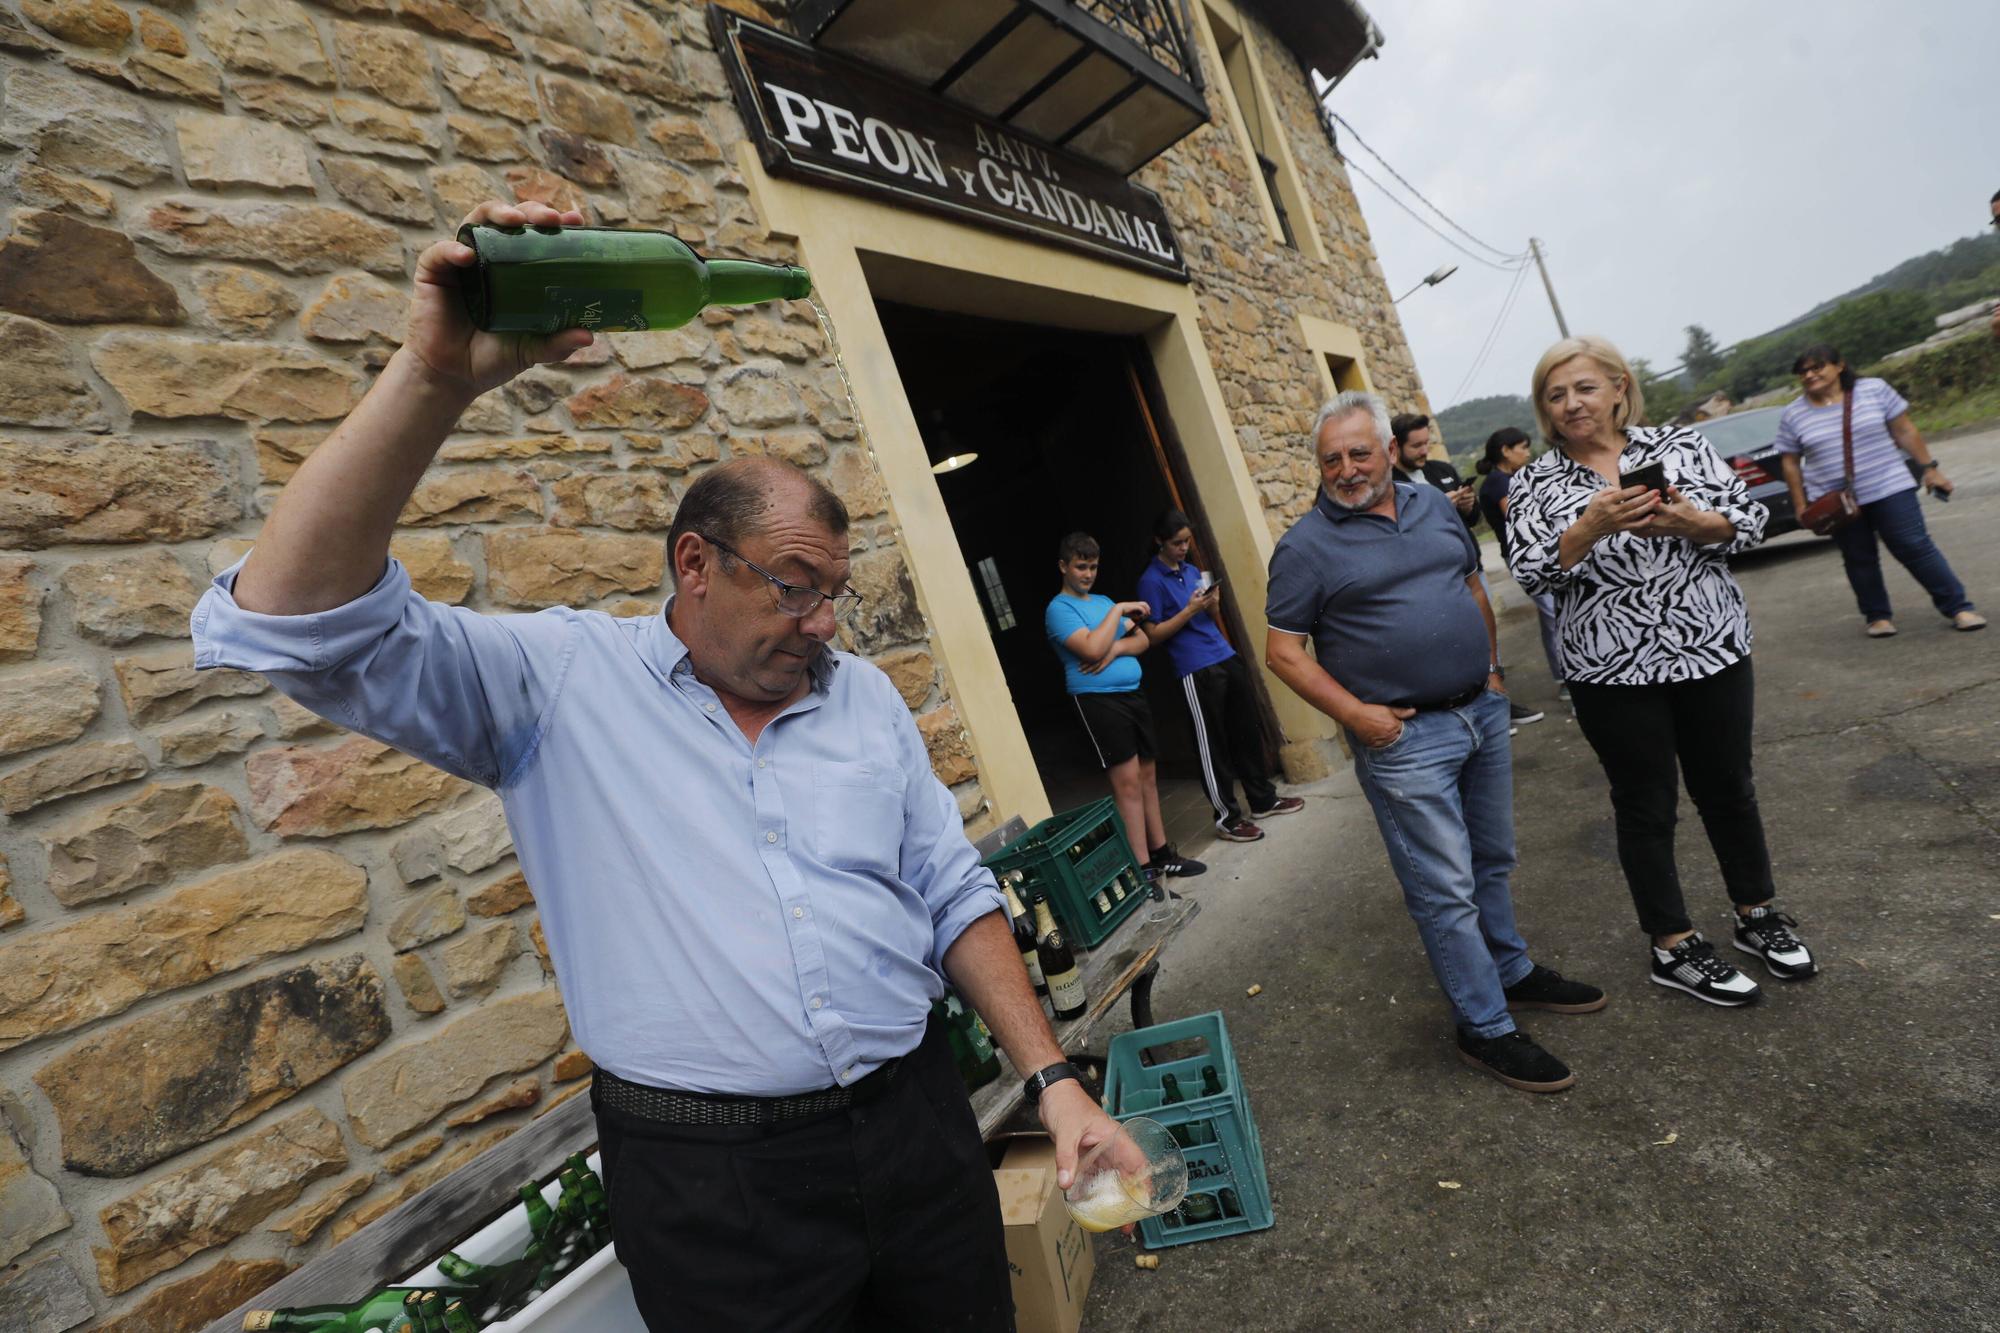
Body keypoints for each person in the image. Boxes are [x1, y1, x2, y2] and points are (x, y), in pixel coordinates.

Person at [188, 199, 1123, 1332]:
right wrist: (434, 379)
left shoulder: (864, 698)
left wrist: (1051, 1079)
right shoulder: (555, 685)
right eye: (792, 585)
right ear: (694, 562)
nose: (824, 621)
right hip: (712, 1187)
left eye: (833, 590)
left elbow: (950, 891)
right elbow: (293, 621)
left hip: (918, 1123)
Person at [1265, 390, 1604, 1095]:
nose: (1348, 469)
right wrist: (1359, 716)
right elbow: (1284, 652)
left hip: (1479, 711)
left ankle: (1511, 970)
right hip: (1404, 740)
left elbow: (1471, 583)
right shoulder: (1304, 547)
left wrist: (1491, 672)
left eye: (1361, 452)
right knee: (1443, 888)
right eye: (1333, 459)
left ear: (1389, 450)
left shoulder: (1431, 507)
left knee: (1491, 858)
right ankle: (1484, 1026)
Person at [1508, 334, 1817, 1009]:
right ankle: (1672, 944)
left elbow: (1750, 519)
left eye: (1584, 388)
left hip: (1710, 647)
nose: (1571, 404)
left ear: (1619, 386)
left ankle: (1756, 913)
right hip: (1611, 670)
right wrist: (1586, 526)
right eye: (1555, 395)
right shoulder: (1535, 481)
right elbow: (1530, 570)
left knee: (1730, 787)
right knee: (1646, 805)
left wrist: (1691, 520)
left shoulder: (1679, 447)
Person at [1774, 342, 1983, 637]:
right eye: (1802, 371)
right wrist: (1800, 505)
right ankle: (1877, 617)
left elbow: (1905, 430)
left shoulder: (1873, 389)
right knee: (1859, 556)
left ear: (1839, 366)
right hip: (1836, 500)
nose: (1809, 375)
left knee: (1914, 546)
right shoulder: (1794, 413)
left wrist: (1930, 468)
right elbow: (1790, 463)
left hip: (1889, 484)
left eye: (1817, 367)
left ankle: (1959, 607)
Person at [1135, 509, 1305, 842]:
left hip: (1223, 654)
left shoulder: (1191, 570)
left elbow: (1211, 619)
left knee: (1246, 731)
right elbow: (1152, 635)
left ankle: (1262, 799)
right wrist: (1188, 610)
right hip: (1193, 667)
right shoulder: (1150, 580)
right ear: (1159, 541)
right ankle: (1227, 818)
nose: (1184, 548)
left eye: (1187, 541)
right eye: (1176, 543)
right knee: (1212, 746)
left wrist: (1212, 603)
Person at [1045, 532, 1206, 882]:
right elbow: (1090, 649)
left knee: (1148, 775)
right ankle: (1142, 868)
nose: (1088, 574)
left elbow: (1143, 639)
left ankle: (1163, 854)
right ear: (1063, 567)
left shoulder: (1101, 601)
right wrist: (1118, 611)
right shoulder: (1060, 610)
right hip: (1098, 701)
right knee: (1127, 782)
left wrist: (1116, 648)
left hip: (1132, 694)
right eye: (1081, 567)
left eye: (1093, 567)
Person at [1475, 427, 1566, 700]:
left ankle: (1563, 675)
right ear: (1505, 450)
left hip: (1535, 552)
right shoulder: (1499, 483)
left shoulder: (1509, 478)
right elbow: (1521, 517)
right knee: (1553, 613)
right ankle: (1565, 678)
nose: (1527, 453)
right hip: (1525, 555)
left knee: (1551, 613)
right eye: (1522, 447)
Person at [1390, 412, 1480, 530]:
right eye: (1416, 446)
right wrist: (1438, 506)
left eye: (1426, 443)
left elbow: (1472, 520)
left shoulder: (1444, 469)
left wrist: (1468, 508)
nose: (1424, 451)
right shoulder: (1390, 486)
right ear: (1395, 447)